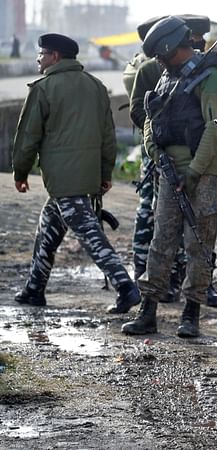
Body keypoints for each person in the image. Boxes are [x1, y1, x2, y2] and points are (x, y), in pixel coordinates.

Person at [122, 16, 217, 337]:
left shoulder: (212, 77)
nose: (157, 59)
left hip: (203, 173)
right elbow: (150, 117)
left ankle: (191, 312)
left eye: (161, 52)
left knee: (199, 244)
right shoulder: (166, 76)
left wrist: (194, 173)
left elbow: (214, 133)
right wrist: (155, 153)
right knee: (161, 241)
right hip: (169, 170)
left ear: (173, 47)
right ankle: (148, 310)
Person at [12, 33, 141, 313]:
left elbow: (27, 137)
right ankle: (34, 289)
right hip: (84, 178)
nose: (38, 58)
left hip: (63, 180)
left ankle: (126, 287)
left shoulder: (43, 88)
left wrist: (20, 172)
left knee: (91, 236)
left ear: (55, 56)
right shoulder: (96, 86)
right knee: (47, 229)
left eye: (42, 53)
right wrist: (106, 172)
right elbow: (109, 136)